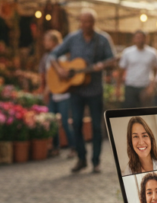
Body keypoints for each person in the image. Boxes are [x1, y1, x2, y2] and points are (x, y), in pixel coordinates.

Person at [49, 9, 116, 173]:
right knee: (76, 123)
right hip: (76, 90)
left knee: (96, 126)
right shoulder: (72, 38)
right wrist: (59, 70)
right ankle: (81, 158)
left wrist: (103, 65)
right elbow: (53, 55)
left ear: (94, 22)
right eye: (83, 21)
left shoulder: (103, 39)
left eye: (89, 21)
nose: (86, 24)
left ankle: (96, 161)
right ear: (80, 22)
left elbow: (112, 60)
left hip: (95, 90)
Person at [40, 29, 74, 159]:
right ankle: (55, 147)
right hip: (53, 93)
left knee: (65, 122)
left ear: (53, 41)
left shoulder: (63, 56)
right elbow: (50, 77)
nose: (44, 42)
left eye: (47, 40)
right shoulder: (49, 56)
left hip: (63, 94)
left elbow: (64, 75)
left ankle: (73, 147)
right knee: (53, 121)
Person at [119, 30, 157, 108]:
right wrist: (118, 88)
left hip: (145, 87)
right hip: (130, 86)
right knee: (129, 112)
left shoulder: (153, 53)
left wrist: (151, 86)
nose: (140, 40)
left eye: (142, 38)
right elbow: (121, 70)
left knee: (145, 112)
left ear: (146, 39)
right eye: (138, 38)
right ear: (134, 39)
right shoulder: (127, 52)